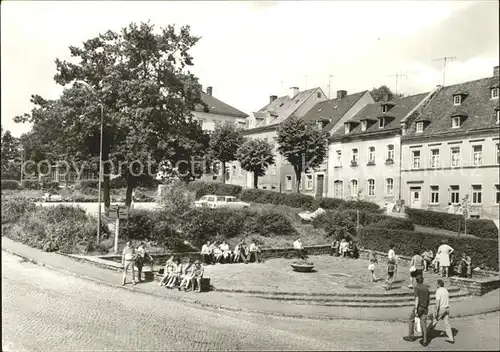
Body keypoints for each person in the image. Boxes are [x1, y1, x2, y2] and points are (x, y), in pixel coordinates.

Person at [403, 275, 430, 347]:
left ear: (416, 281)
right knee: (423, 323)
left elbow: (417, 299)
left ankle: (411, 336)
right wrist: (426, 308)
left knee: (411, 320)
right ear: (422, 280)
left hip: (419, 307)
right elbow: (428, 300)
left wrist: (415, 309)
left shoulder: (417, 288)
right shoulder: (426, 288)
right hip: (425, 307)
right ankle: (424, 341)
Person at [429, 279, 454, 344]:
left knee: (434, 320)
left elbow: (437, 302)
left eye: (436, 283)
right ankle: (451, 338)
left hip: (441, 308)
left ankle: (426, 333)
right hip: (447, 308)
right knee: (447, 323)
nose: (436, 284)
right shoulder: (446, 290)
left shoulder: (438, 291)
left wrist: (436, 311)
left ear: (438, 284)